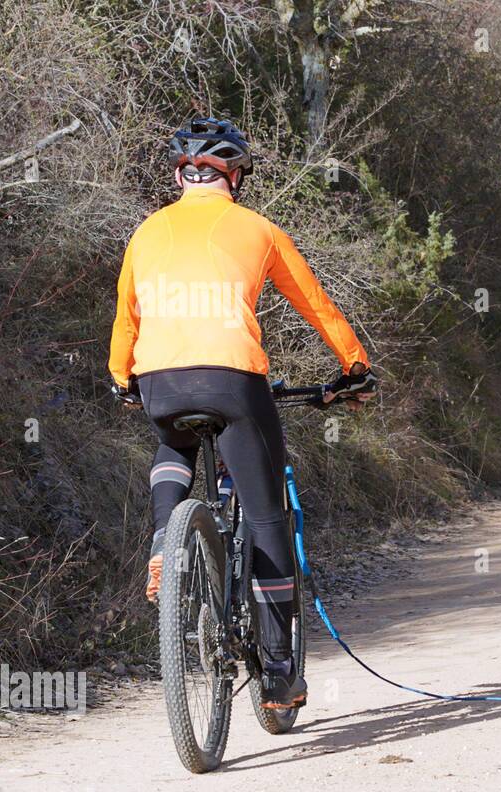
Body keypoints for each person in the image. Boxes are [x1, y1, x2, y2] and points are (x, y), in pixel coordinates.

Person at [108, 117, 378, 709]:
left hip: (160, 378)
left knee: (172, 440)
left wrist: (121, 378)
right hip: (233, 379)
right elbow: (317, 305)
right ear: (235, 175)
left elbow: (126, 319)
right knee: (264, 519)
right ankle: (280, 673)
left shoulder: (146, 232)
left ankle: (164, 533)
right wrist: (354, 367)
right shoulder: (258, 228)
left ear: (181, 174)